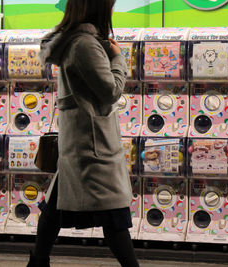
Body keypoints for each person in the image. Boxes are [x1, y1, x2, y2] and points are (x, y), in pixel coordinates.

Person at [27, 0, 139, 266]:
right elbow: (111, 91)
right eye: (109, 5)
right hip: (92, 145)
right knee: (112, 214)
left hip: (79, 141)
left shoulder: (73, 42)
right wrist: (117, 57)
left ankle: (38, 262)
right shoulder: (85, 45)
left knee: (55, 208)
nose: (111, 10)